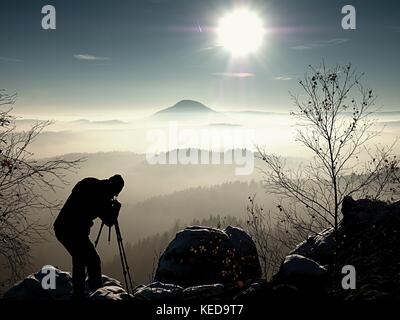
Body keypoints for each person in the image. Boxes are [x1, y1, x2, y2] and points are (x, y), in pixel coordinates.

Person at [54, 174, 124, 300]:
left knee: (82, 259)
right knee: (89, 260)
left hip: (63, 227)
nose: (114, 197)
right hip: (73, 231)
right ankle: (94, 294)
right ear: (115, 190)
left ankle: (82, 294)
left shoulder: (91, 183)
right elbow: (109, 221)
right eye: (116, 194)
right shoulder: (102, 197)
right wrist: (116, 209)